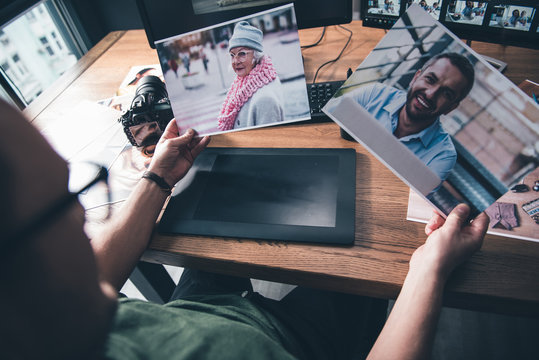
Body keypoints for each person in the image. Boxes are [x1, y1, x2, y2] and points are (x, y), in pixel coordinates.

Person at [0, 97, 489, 359]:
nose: (86, 217)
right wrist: (429, 269)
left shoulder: (46, 315)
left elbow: (98, 276)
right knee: (369, 266)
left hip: (197, 312)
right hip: (287, 342)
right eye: (67, 198)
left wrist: (157, 179)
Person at [329, 52, 475, 182]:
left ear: (451, 108)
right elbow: (329, 114)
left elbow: (406, 198)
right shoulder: (375, 94)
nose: (430, 94)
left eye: (446, 94)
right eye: (430, 79)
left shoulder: (442, 156)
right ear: (416, 77)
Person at [218, 21, 284, 131]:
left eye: (242, 54)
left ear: (256, 54)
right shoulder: (244, 83)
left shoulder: (264, 99)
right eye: (232, 55)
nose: (235, 61)